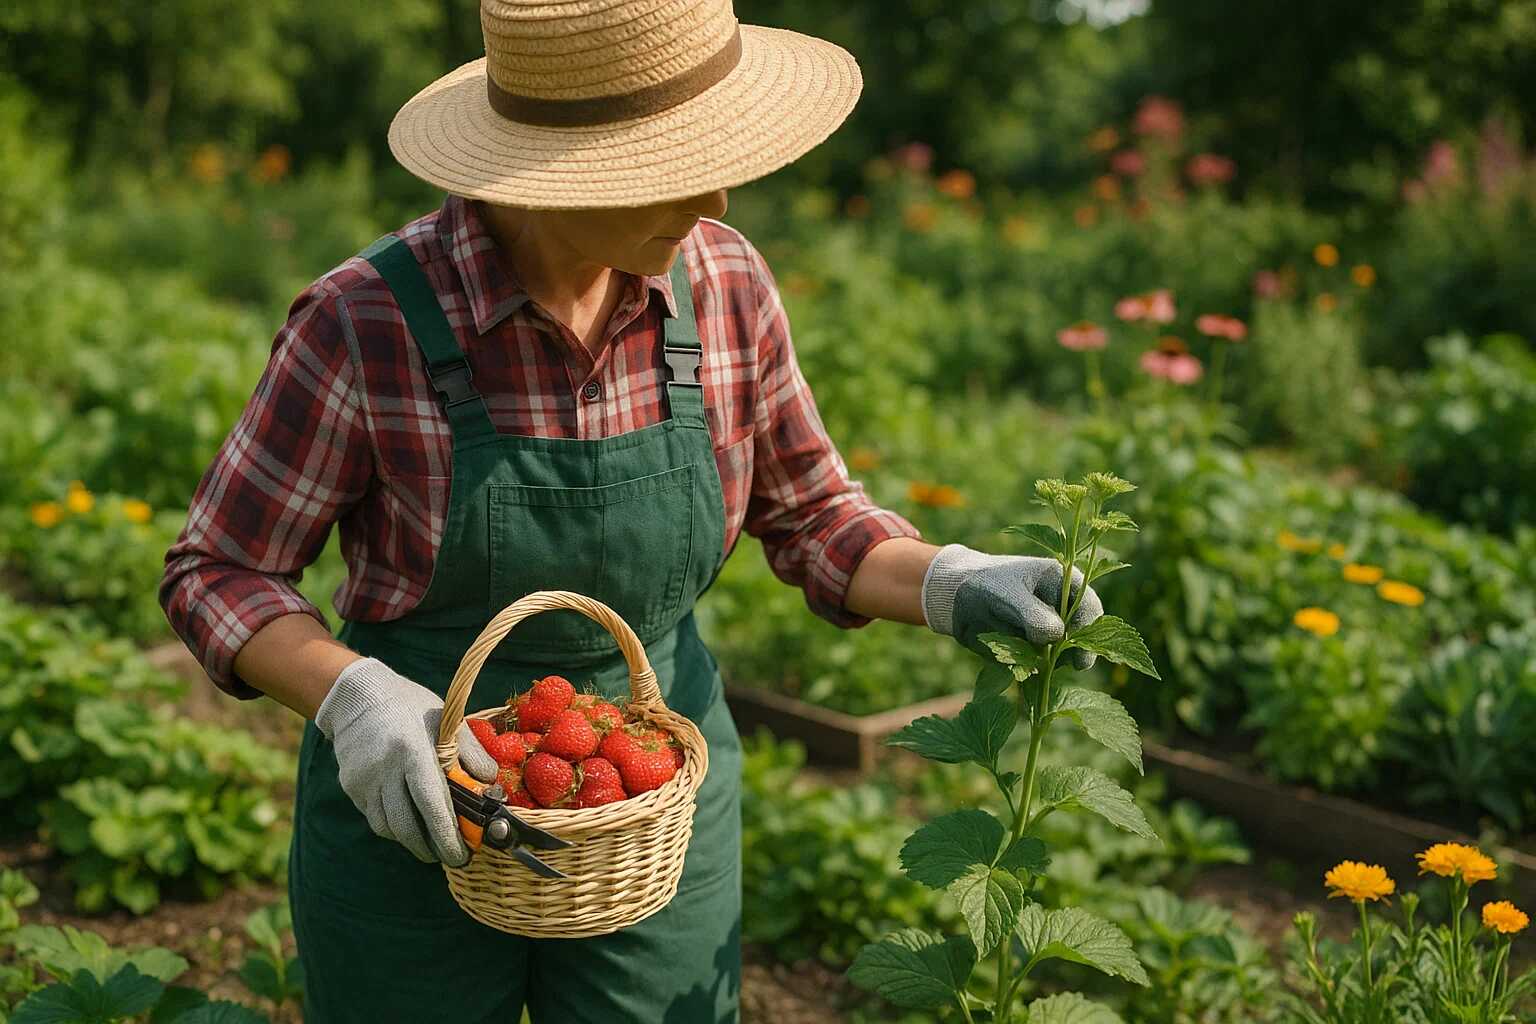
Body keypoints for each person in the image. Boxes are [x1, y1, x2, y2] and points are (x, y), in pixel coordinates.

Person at [158, 0, 1106, 1019]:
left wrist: (950, 579)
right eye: (674, 163)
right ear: (553, 170)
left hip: (653, 802)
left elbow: (814, 513)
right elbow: (219, 567)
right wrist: (356, 701)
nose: (716, 193)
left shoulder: (724, 285)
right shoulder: (368, 320)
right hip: (423, 802)